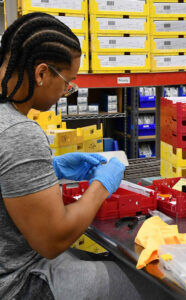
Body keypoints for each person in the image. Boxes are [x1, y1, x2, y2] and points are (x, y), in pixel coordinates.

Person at [0, 12, 172, 300]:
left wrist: (51, 169)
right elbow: (53, 240)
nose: (67, 91)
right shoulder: (19, 132)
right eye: (68, 82)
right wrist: (102, 185)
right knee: (159, 286)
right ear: (42, 73)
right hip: (20, 284)